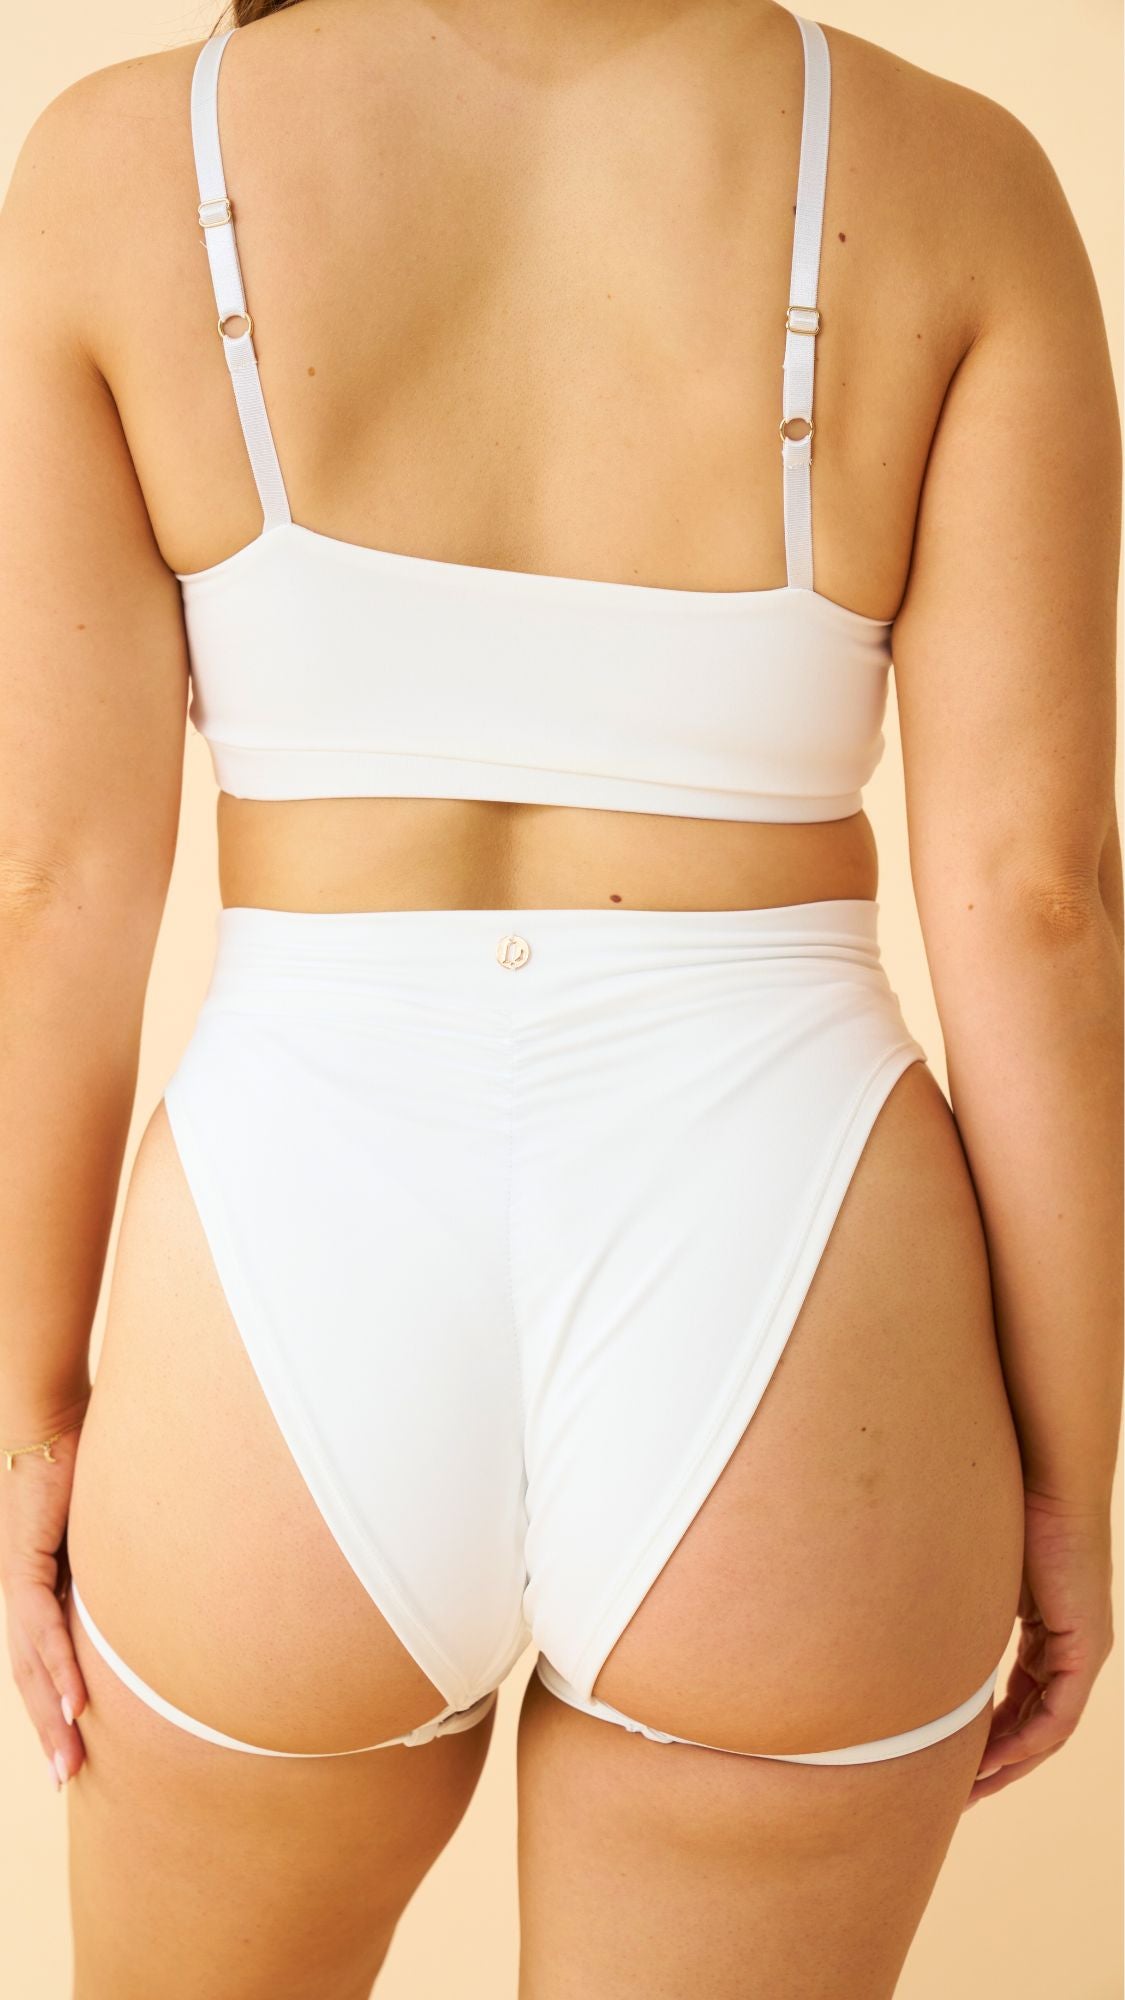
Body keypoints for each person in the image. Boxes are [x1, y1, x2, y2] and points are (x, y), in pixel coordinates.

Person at [0, 0, 1119, 1992]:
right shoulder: (955, 182)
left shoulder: (113, 168)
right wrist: (1065, 1473)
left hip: (292, 1246)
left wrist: (26, 1423)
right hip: (787, 1251)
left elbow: (51, 889)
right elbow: (1035, 903)